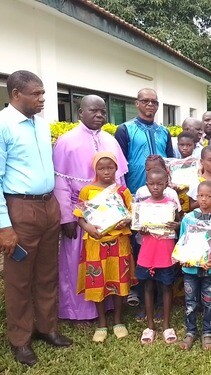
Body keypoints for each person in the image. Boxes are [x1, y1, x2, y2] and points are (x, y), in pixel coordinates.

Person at [0, 70, 72, 366]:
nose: (43, 99)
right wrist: (4, 225)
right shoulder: (3, 125)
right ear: (16, 94)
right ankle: (20, 339)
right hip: (20, 209)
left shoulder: (41, 126)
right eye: (36, 94)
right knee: (19, 279)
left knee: (46, 272)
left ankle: (46, 328)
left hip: (48, 206)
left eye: (43, 93)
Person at [53, 94, 128, 322]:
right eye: (93, 111)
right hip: (81, 213)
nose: (99, 115)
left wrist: (123, 213)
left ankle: (108, 307)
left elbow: (121, 181)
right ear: (80, 113)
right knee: (78, 262)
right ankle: (78, 311)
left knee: (110, 261)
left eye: (103, 111)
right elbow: (61, 184)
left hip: (112, 216)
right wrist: (67, 218)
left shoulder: (111, 140)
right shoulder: (66, 141)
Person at [73, 152, 136, 342]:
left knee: (119, 280)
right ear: (95, 169)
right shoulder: (87, 191)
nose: (106, 172)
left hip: (119, 243)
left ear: (117, 168)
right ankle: (101, 322)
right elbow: (80, 216)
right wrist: (88, 227)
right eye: (101, 168)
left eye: (110, 167)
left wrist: (125, 221)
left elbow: (132, 214)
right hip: (95, 243)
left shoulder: (122, 191)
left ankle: (118, 320)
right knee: (97, 281)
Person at [179, 180, 211, 351]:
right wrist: (183, 256)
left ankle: (207, 332)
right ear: (197, 196)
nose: (204, 199)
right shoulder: (188, 218)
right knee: (190, 302)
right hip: (190, 269)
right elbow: (182, 241)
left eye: (208, 196)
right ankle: (191, 331)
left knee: (208, 302)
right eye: (201, 195)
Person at [136, 167, 180, 345]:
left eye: (160, 184)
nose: (156, 187)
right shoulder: (142, 205)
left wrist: (176, 225)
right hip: (148, 251)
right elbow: (138, 228)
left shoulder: (171, 203)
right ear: (147, 185)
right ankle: (150, 325)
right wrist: (141, 228)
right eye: (152, 184)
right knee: (148, 287)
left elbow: (178, 222)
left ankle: (167, 325)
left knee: (166, 286)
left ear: (166, 184)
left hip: (165, 250)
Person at [115, 88, 174, 194]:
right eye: (145, 101)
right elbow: (119, 165)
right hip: (135, 190)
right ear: (137, 103)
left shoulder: (164, 132)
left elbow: (171, 163)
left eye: (154, 102)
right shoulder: (125, 129)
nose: (150, 104)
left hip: (163, 192)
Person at [187, 146, 211, 212]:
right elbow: (191, 206)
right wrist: (206, 198)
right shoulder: (196, 182)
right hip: (203, 219)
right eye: (210, 160)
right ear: (202, 161)